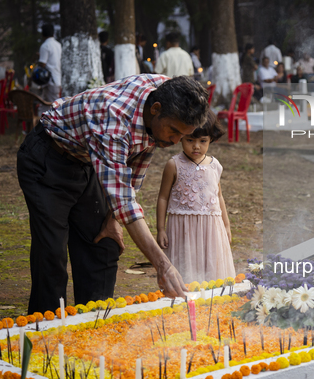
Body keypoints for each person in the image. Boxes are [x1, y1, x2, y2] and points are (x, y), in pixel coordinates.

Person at [17, 75, 208, 314]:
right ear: (155, 109)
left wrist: (112, 220)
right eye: (174, 131)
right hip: (49, 158)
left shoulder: (167, 93)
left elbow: (136, 166)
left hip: (89, 162)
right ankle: (45, 330)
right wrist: (163, 265)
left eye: (184, 134)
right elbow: (125, 202)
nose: (176, 141)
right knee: (52, 253)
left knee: (104, 244)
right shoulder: (113, 123)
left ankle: (94, 322)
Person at [156, 111, 236, 283]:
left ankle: (209, 303)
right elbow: (163, 197)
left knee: (210, 267)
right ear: (181, 138)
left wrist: (226, 225)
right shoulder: (173, 165)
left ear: (211, 140)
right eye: (190, 140)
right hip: (183, 228)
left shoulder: (215, 166)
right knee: (186, 267)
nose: (196, 146)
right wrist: (160, 229)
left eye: (203, 141)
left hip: (211, 227)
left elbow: (219, 196)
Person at [38, 24, 62, 102]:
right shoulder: (58, 45)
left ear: (43, 34)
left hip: (50, 81)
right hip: (57, 78)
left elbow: (42, 63)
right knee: (45, 104)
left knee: (54, 105)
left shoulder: (45, 46)